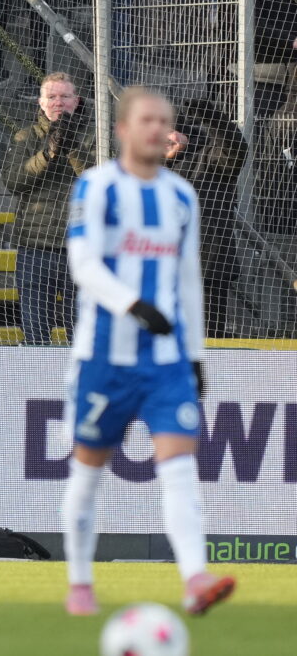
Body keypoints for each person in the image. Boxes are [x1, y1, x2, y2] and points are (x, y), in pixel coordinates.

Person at [60, 87, 235, 617]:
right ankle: (81, 583)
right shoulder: (96, 187)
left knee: (180, 468)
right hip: (104, 359)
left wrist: (197, 355)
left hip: (166, 362)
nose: (158, 129)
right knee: (87, 473)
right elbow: (83, 265)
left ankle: (194, 579)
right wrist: (132, 304)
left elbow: (188, 284)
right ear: (123, 130)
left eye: (165, 121)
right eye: (147, 120)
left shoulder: (182, 196)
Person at [1, 72, 96, 345]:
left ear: (76, 101)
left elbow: (101, 183)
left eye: (65, 96)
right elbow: (12, 181)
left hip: (82, 248)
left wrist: (71, 149)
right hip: (35, 246)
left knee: (83, 336)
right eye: (51, 96)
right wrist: (47, 155)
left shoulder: (95, 136)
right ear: (40, 103)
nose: (58, 102)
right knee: (35, 334)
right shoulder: (25, 136)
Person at [164, 99, 249, 338]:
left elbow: (236, 149)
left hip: (206, 273)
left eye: (170, 131)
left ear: (185, 134)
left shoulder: (210, 160)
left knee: (206, 346)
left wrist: (209, 114)